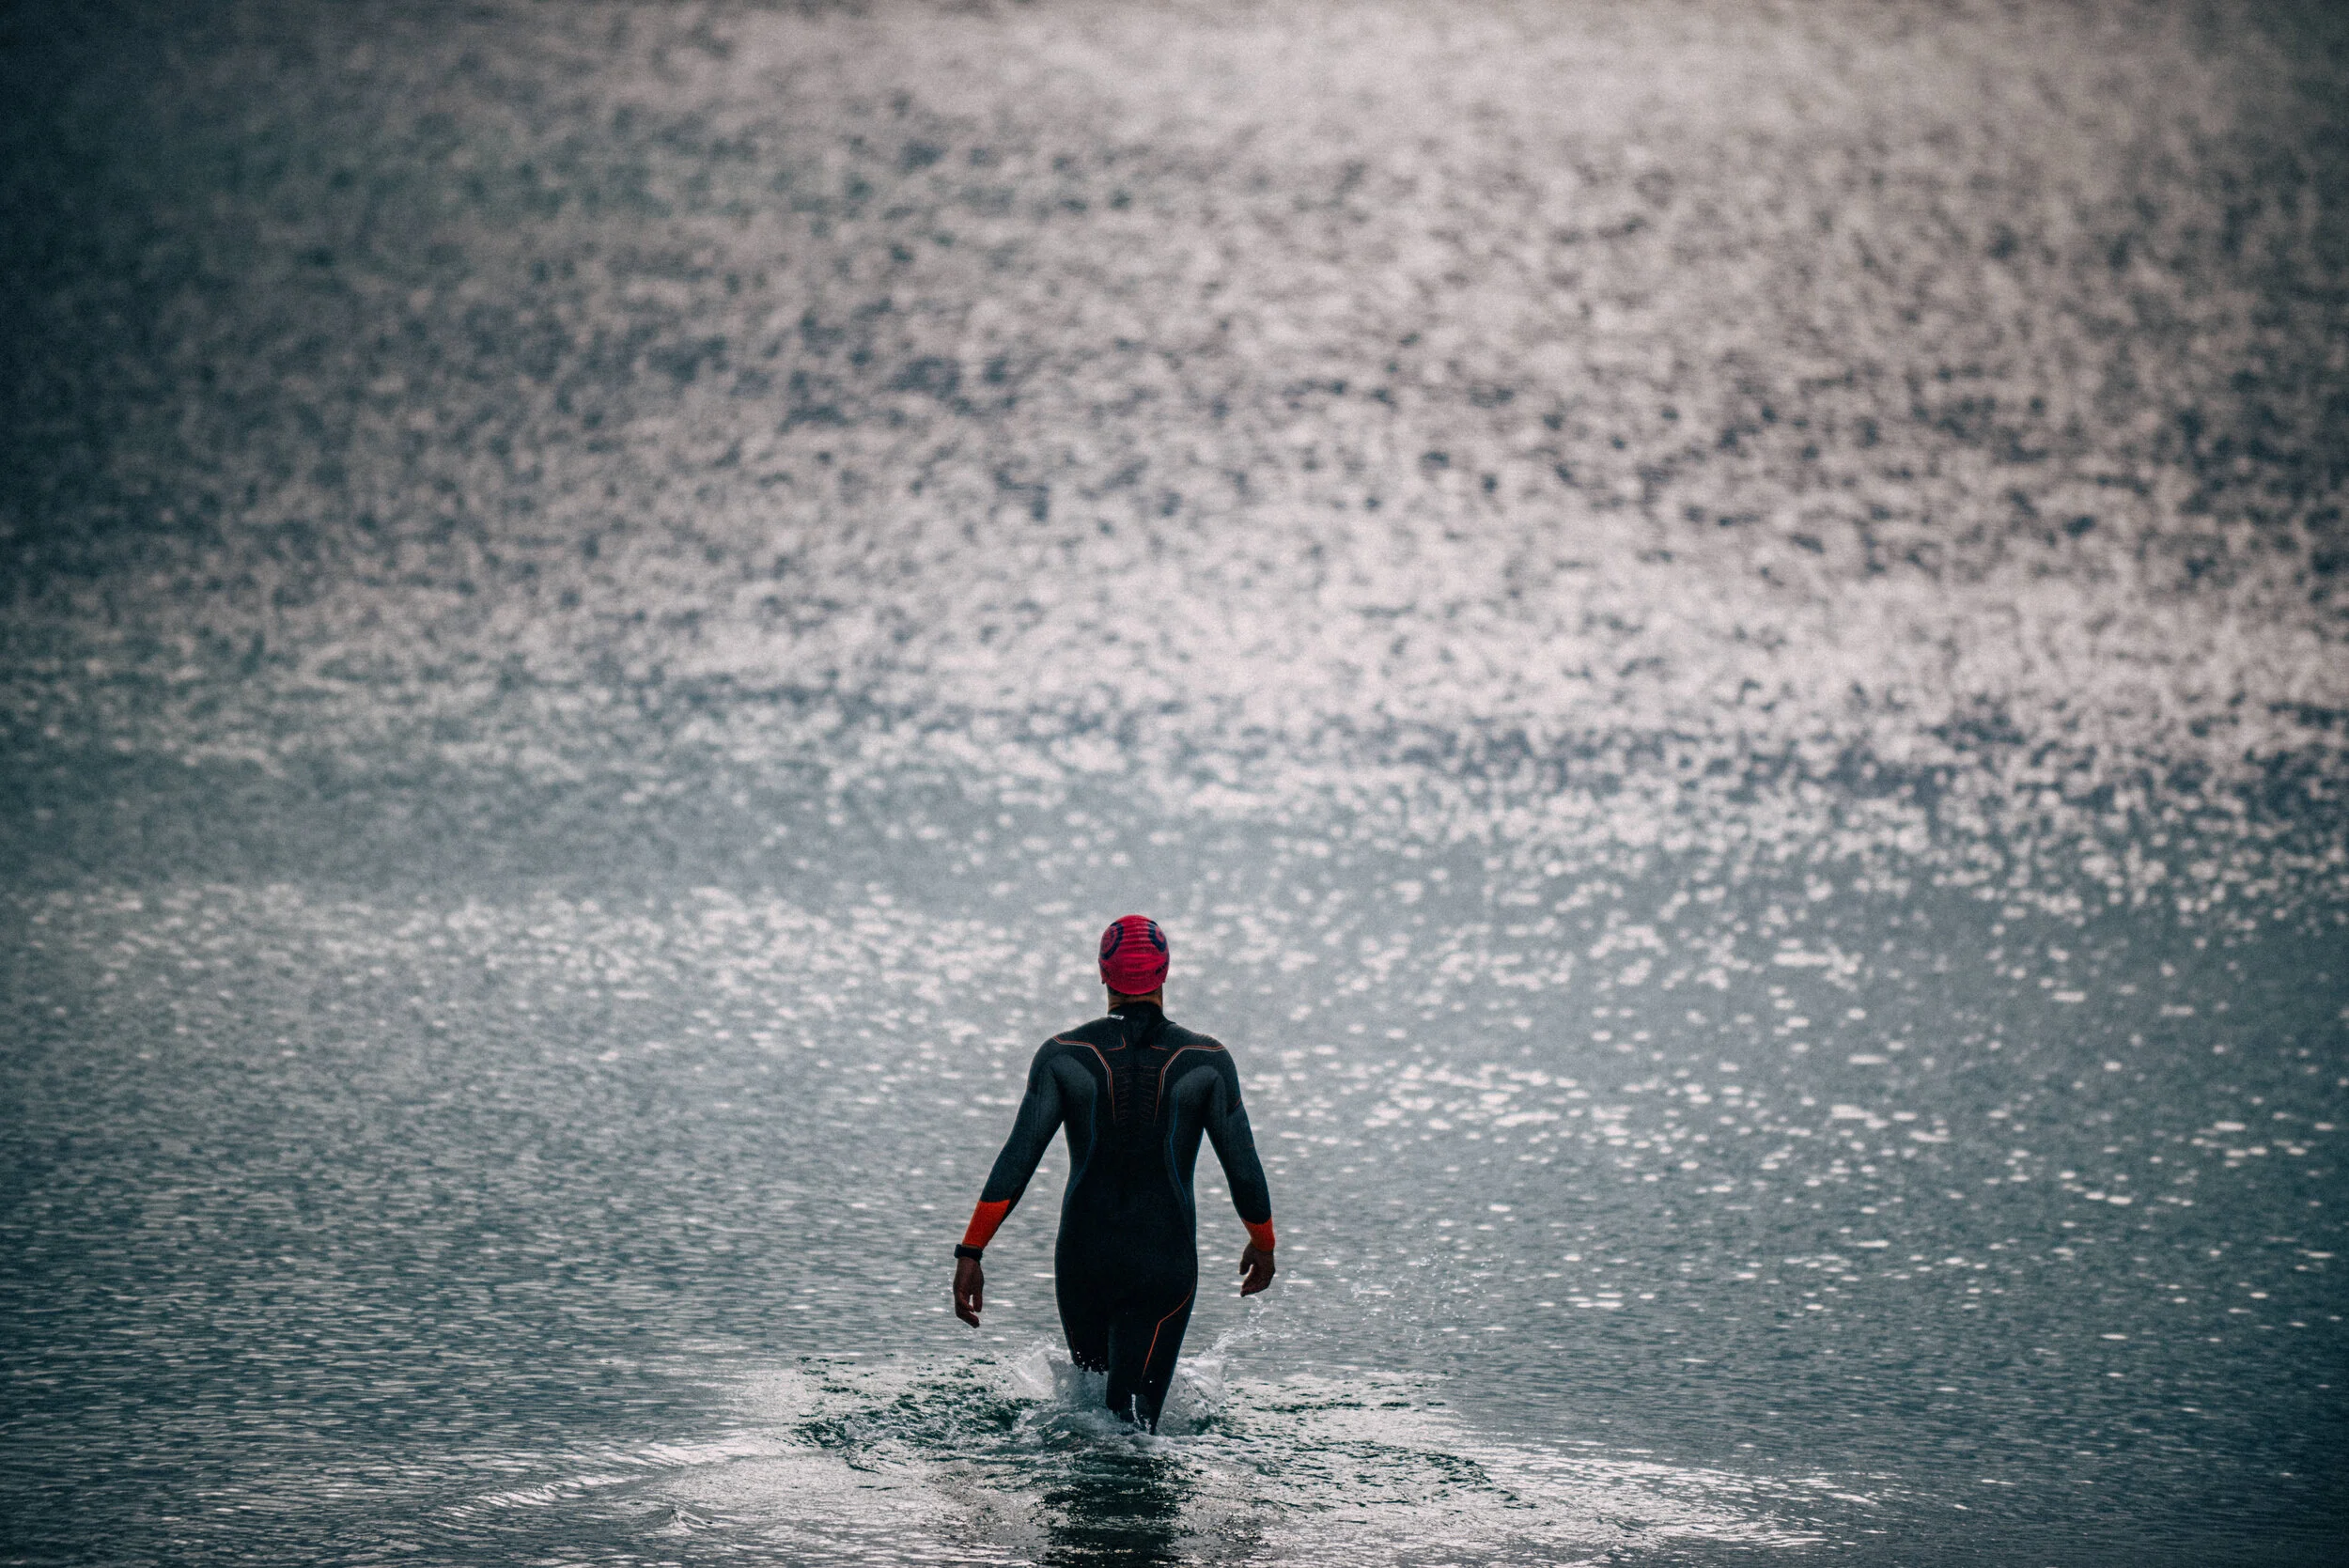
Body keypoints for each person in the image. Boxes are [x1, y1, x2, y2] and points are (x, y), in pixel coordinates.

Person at [953, 914, 1277, 1429]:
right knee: (1134, 1428)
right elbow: (1244, 1169)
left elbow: (1019, 1156)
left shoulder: (1063, 1056)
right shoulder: (1207, 1061)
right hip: (1163, 1261)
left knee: (1092, 1415)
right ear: (1165, 973)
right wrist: (1263, 1243)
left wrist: (971, 1251)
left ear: (1103, 974)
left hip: (1083, 1260)